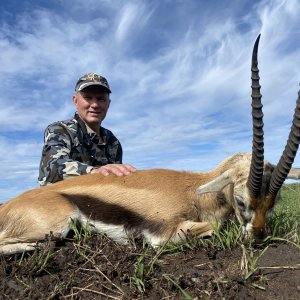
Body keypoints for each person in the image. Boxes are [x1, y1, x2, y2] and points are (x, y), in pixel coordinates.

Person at [38, 72, 136, 186]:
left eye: (101, 99)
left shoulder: (113, 142)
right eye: (88, 98)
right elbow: (52, 166)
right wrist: (94, 172)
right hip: (62, 199)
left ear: (108, 104)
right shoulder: (59, 130)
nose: (95, 104)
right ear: (75, 101)